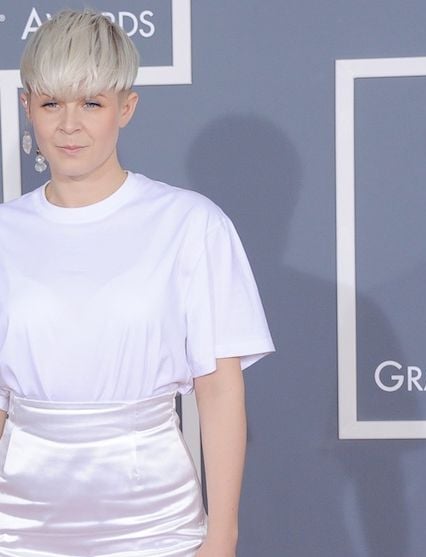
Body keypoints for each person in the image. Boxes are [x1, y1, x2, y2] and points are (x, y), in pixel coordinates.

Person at [0, 10, 274, 557]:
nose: (69, 124)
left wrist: (221, 536)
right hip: (18, 527)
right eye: (52, 102)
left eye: (92, 103)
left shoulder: (190, 224)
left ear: (126, 107)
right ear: (27, 106)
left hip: (155, 525)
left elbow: (219, 391)